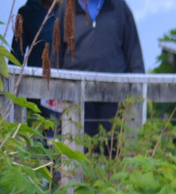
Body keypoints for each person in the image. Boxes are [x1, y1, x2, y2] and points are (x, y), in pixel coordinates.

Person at [55, 0, 144, 147]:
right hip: (75, 97)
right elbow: (55, 55)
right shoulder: (67, 8)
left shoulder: (119, 8)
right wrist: (54, 91)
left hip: (115, 97)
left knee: (112, 147)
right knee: (76, 147)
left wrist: (137, 93)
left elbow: (134, 55)